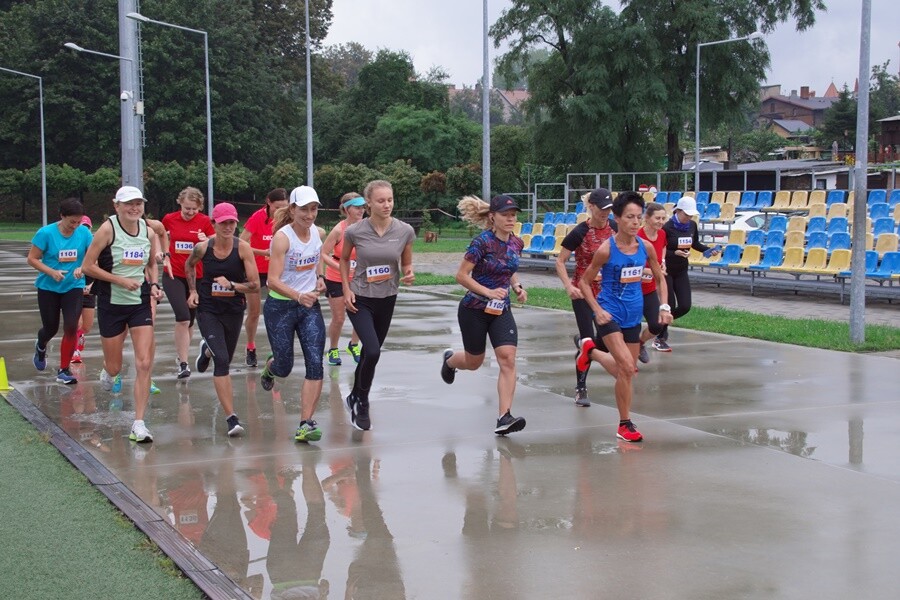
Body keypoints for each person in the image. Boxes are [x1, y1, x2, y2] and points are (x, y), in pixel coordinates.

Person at [575, 191, 671, 442]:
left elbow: (660, 278)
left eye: (639, 217)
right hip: (609, 314)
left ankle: (589, 350)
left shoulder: (646, 247)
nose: (635, 222)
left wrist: (664, 307)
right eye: (630, 217)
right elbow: (585, 283)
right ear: (617, 218)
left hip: (632, 315)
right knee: (628, 367)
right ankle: (625, 424)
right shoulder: (606, 250)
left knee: (625, 372)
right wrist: (597, 310)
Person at [82, 186, 163, 443]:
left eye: (138, 204)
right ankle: (108, 371)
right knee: (115, 365)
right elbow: (87, 266)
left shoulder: (148, 232)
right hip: (111, 302)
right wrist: (118, 280)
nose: (134, 208)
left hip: (139, 302)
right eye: (129, 204)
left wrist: (154, 284)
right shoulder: (107, 229)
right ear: (116, 205)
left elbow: (151, 262)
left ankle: (138, 423)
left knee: (143, 362)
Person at [441, 195, 528, 435]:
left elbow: (509, 269)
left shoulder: (517, 243)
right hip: (474, 310)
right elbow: (461, 276)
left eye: (514, 214)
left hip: (501, 310)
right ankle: (450, 360)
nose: (511, 219)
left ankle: (504, 417)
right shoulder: (482, 243)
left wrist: (517, 287)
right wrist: (488, 291)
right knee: (474, 362)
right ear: (493, 217)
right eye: (505, 215)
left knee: (508, 358)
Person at [341, 179, 415, 432]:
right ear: (369, 203)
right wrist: (346, 288)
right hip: (360, 298)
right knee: (372, 351)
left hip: (387, 298)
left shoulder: (404, 230)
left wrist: (408, 272)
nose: (387, 205)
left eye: (390, 200)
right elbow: (342, 260)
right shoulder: (355, 231)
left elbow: (406, 262)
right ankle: (362, 401)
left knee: (369, 355)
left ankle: (354, 394)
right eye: (381, 200)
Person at [259, 186, 328, 443]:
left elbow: (317, 257)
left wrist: (319, 278)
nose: (309, 215)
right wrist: (298, 295)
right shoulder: (282, 238)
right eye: (304, 210)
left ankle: (305, 423)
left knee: (315, 362)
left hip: (309, 306)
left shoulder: (318, 234)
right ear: (292, 210)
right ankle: (271, 367)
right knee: (284, 367)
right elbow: (272, 281)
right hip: (280, 307)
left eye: (314, 209)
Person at [186, 202, 260, 437]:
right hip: (208, 309)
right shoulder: (202, 248)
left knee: (222, 353)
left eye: (232, 222)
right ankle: (231, 417)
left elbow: (255, 285)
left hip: (233, 309)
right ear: (214, 224)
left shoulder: (243, 249)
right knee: (223, 361)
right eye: (223, 223)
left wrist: (233, 286)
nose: (228, 227)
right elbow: (189, 266)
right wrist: (193, 291)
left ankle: (206, 350)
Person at [554, 188, 616, 407]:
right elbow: (560, 261)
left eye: (609, 209)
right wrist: (568, 286)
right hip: (582, 291)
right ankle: (581, 387)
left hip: (607, 294)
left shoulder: (615, 228)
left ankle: (582, 343)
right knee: (589, 341)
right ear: (591, 207)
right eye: (602, 209)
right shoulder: (580, 231)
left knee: (606, 343)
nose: (605, 213)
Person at [27, 198, 93, 384]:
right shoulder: (46, 233)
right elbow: (32, 259)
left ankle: (64, 370)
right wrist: (51, 272)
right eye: (72, 221)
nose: (75, 225)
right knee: (51, 327)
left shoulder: (84, 234)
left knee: (72, 326)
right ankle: (41, 346)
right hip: (48, 287)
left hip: (73, 286)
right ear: (62, 216)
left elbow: (91, 257)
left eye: (79, 222)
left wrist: (83, 268)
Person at [161, 186, 215, 379]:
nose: (190, 213)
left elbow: (215, 244)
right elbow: (160, 236)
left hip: (197, 276)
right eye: (187, 209)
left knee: (190, 321)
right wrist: (163, 253)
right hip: (174, 274)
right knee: (182, 317)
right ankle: (184, 364)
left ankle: (181, 355)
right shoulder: (169, 219)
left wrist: (206, 240)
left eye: (194, 209)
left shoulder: (205, 221)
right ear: (180, 204)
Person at [654, 196, 719, 351]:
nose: (688, 218)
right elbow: (659, 250)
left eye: (691, 216)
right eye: (686, 215)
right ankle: (660, 336)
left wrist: (708, 250)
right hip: (667, 270)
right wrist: (673, 252)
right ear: (678, 211)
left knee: (684, 306)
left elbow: (694, 243)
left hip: (682, 270)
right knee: (669, 305)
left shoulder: (692, 226)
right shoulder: (667, 227)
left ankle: (659, 324)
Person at [240, 187, 289, 367]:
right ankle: (251, 346)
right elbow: (241, 242)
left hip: (277, 271)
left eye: (285, 207)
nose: (281, 211)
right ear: (268, 202)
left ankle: (275, 350)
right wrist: (263, 252)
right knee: (254, 312)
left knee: (278, 312)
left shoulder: (288, 219)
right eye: (277, 207)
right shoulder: (257, 217)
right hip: (255, 270)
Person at [321, 192, 365, 366]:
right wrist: (339, 267)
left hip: (360, 279)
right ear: (347, 209)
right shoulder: (339, 230)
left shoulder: (367, 227)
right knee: (339, 318)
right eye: (357, 207)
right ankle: (332, 349)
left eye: (363, 207)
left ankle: (354, 345)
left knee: (361, 315)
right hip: (337, 279)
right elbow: (323, 253)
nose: (361, 210)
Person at [636, 201, 669, 363]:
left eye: (663, 218)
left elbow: (662, 247)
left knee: (656, 326)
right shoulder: (638, 237)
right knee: (630, 328)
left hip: (648, 289)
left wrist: (662, 261)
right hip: (632, 289)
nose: (661, 222)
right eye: (657, 218)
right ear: (647, 218)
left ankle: (640, 344)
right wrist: (649, 271)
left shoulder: (662, 234)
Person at [72, 215, 95, 364]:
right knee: (76, 323)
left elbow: (100, 269)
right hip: (73, 289)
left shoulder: (95, 248)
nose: (84, 230)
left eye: (86, 228)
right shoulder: (73, 246)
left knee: (86, 326)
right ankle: (75, 351)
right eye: (81, 227)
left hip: (89, 289)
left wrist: (91, 286)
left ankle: (81, 336)